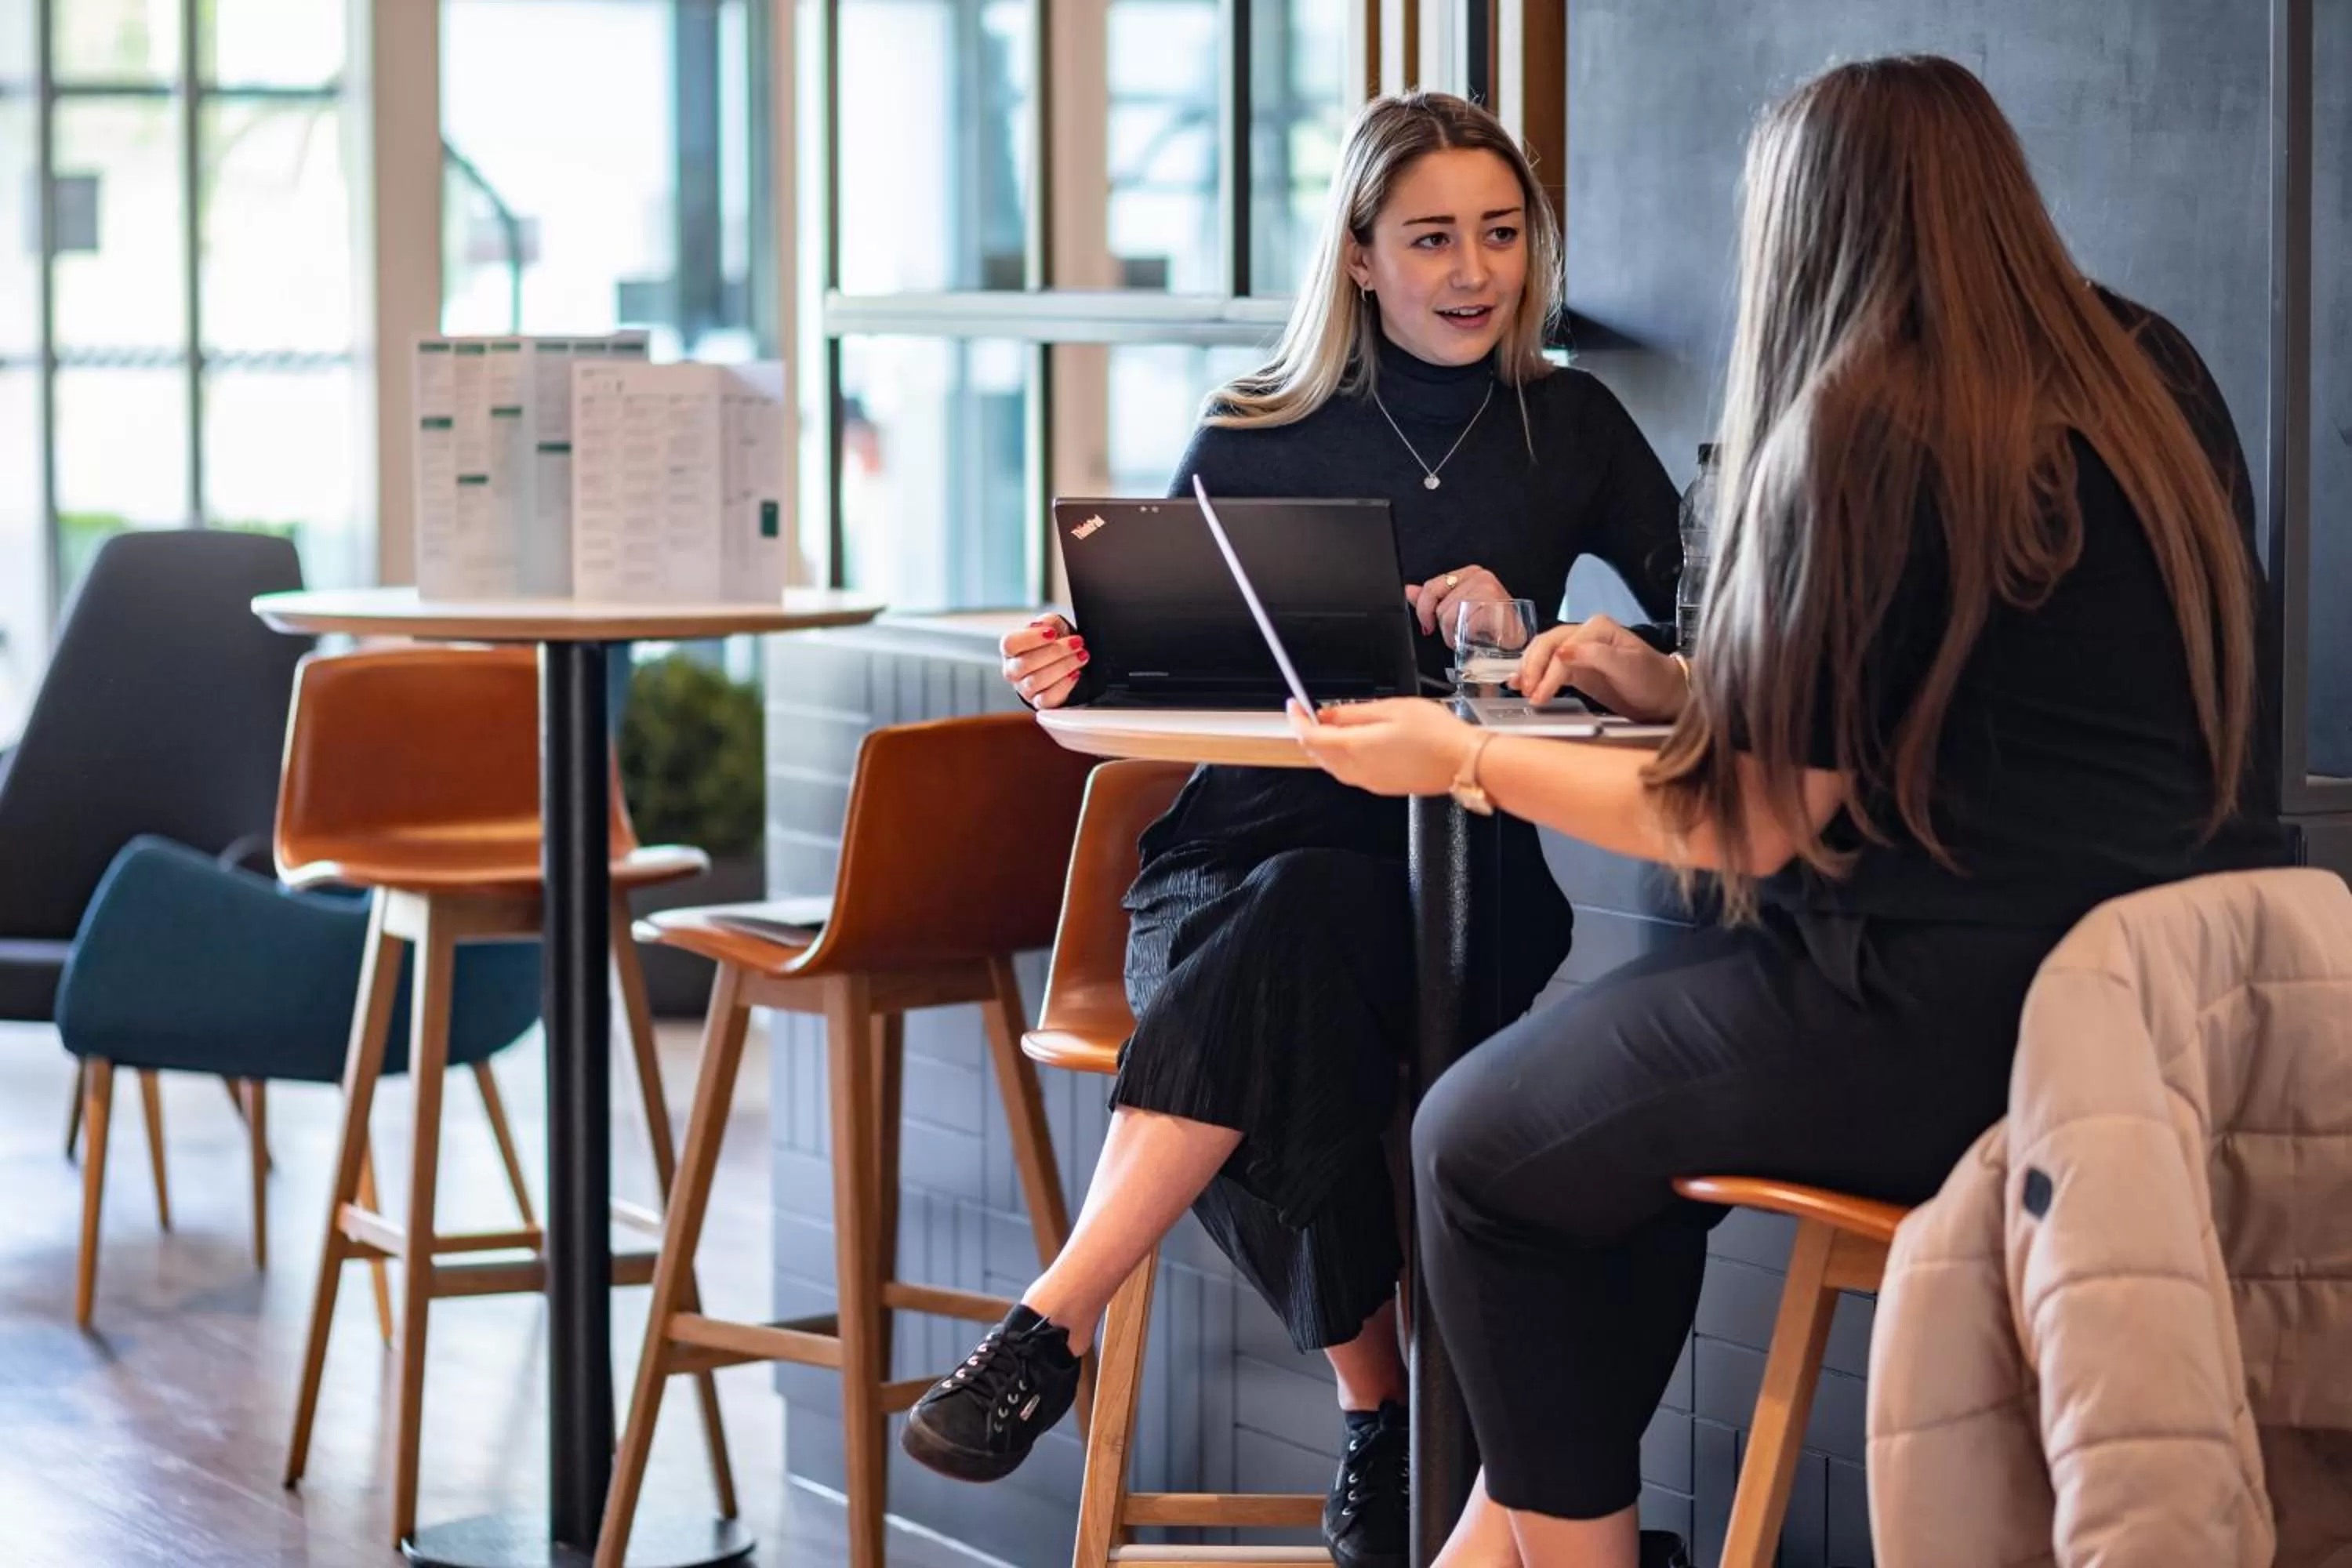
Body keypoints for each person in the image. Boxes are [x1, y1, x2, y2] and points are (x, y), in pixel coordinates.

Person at [1280, 55, 2292, 1568]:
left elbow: (1746, 827)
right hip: (2167, 1003)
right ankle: (1494, 1550)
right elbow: (1965, 711)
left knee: (1473, 1145)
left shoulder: (1859, 420)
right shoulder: (2147, 373)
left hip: (1938, 1013)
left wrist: (1460, 756)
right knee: (1597, 1136)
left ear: (1808, 229)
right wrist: (1673, 686)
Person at [898, 91, 1684, 1568]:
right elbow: (1140, 658)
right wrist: (1071, 656)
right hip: (1232, 859)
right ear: (1363, 258)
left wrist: (1538, 637)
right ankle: (1385, 1417)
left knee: (1288, 955)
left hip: (1465, 882)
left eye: (1502, 235)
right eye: (1433, 238)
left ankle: (1054, 1323)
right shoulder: (1259, 427)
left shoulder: (1568, 423)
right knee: (1291, 950)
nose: (1473, 272)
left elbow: (1707, 618)